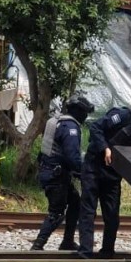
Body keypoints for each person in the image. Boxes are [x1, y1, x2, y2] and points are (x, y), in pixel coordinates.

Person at [77, 93, 131, 258]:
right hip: (94, 168)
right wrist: (105, 148)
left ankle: (107, 253)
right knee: (88, 212)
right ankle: (85, 252)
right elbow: (95, 128)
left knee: (112, 215)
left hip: (113, 176)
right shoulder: (122, 116)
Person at [31, 94, 95, 251]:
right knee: (56, 212)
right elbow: (72, 157)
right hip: (56, 176)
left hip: (50, 172)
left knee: (75, 203)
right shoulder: (70, 128)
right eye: (85, 112)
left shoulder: (55, 121)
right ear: (78, 111)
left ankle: (67, 242)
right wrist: (85, 174)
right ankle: (38, 245)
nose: (86, 116)